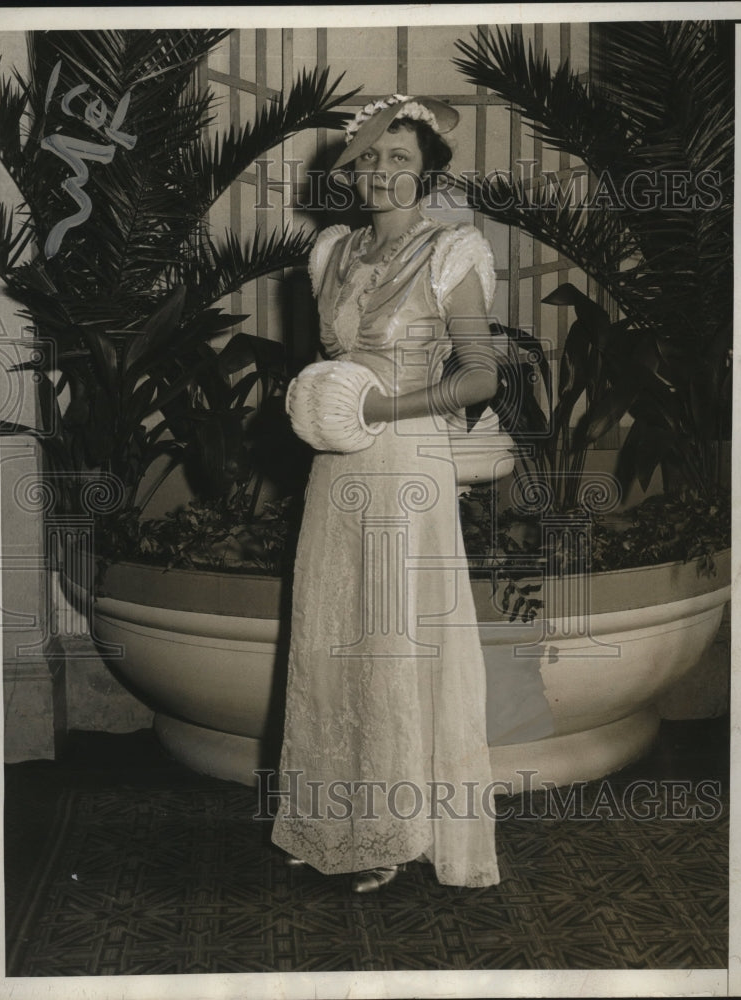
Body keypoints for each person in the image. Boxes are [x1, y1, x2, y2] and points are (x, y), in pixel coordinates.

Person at [270, 94, 502, 892]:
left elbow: (478, 376)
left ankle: (393, 830)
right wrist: (320, 404)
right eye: (368, 158)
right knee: (331, 634)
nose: (380, 173)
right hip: (335, 466)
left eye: (399, 159)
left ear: (427, 173)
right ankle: (326, 816)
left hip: (406, 462)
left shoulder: (453, 251)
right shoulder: (329, 250)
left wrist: (381, 406)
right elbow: (327, 366)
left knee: (391, 641)